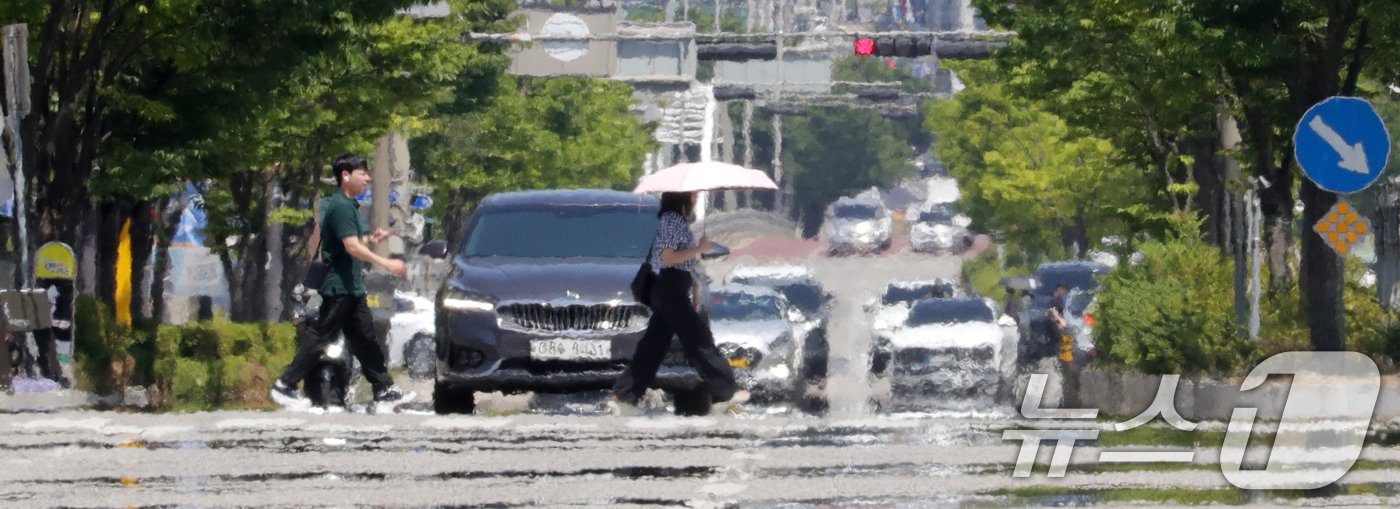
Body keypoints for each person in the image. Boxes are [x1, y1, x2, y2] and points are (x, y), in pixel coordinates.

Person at [270, 153, 414, 411]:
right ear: (345, 176)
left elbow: (351, 243)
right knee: (321, 336)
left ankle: (384, 390)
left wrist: (371, 239)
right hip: (340, 286)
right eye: (362, 174)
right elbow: (351, 248)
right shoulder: (341, 206)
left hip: (351, 286)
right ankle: (286, 384)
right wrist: (387, 264)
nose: (367, 179)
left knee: (365, 339)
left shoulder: (346, 206)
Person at [612, 191, 748, 412]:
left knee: (653, 346)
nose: (695, 200)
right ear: (681, 198)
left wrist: (694, 271)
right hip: (670, 290)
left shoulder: (675, 221)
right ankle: (726, 391)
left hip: (673, 288)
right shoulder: (671, 221)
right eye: (692, 196)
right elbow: (668, 258)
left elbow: (677, 259)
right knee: (699, 339)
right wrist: (698, 249)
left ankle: (625, 395)